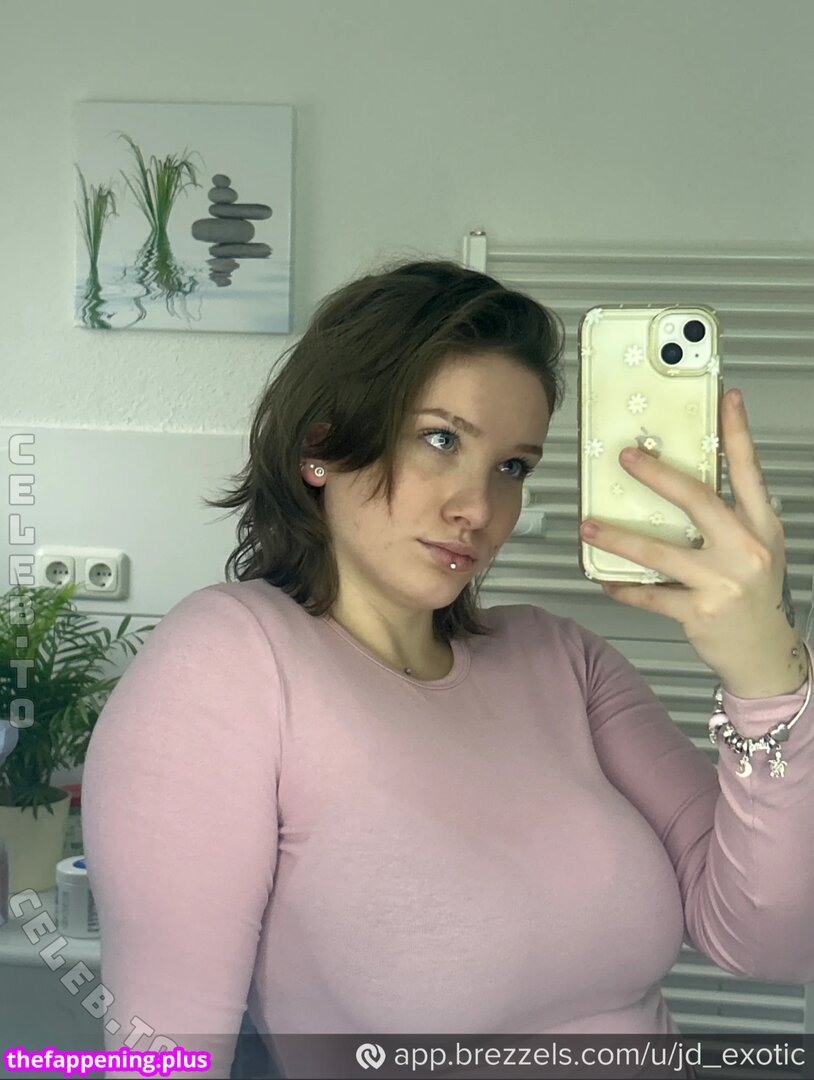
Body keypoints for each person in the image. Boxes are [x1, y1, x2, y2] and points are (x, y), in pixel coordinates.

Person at [81, 259, 814, 1080]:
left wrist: (768, 680)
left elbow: (772, 945)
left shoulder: (562, 660)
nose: (479, 508)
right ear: (321, 445)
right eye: (441, 439)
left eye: (512, 466)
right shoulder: (231, 660)